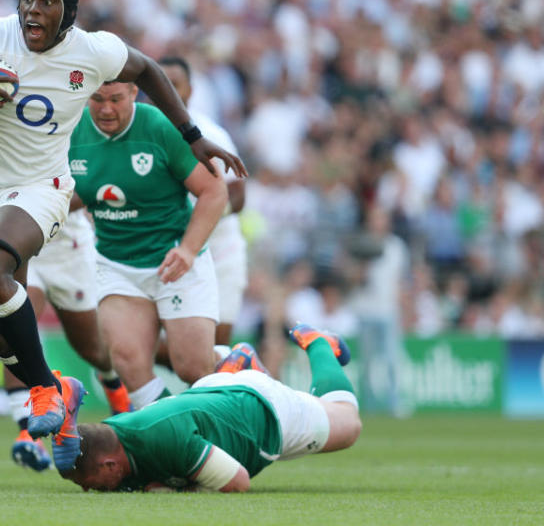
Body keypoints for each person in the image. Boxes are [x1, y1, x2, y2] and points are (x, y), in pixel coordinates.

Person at [0, 0, 245, 470]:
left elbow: (148, 70)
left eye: (47, 1)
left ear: (68, 13)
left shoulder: (93, 51)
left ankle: (46, 392)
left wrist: (191, 134)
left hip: (43, 187)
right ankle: (56, 390)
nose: (33, 8)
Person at [0, 116, 131, 473]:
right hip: (11, 248)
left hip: (65, 244)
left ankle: (117, 395)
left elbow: (89, 180)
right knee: (10, 326)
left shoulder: (49, 115)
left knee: (89, 344)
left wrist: (42, 200)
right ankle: (29, 431)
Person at [69, 81, 230, 408]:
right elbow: (70, 194)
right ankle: (173, 432)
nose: (106, 108)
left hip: (173, 260)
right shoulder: (72, 131)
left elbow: (215, 191)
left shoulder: (158, 126)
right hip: (116, 262)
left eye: (115, 99)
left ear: (133, 92)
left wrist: (187, 249)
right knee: (127, 359)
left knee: (192, 368)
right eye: (97, 99)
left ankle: (237, 362)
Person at [61, 324, 362, 492]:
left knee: (348, 423)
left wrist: (174, 490)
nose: (88, 491)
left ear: (110, 466)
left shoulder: (166, 440)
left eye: (87, 484)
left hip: (264, 409)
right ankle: (233, 366)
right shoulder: (113, 435)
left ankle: (318, 343)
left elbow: (238, 481)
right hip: (211, 391)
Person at [158, 56, 247, 347]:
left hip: (220, 252)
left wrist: (200, 217)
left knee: (217, 346)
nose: (169, 92)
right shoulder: (142, 132)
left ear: (190, 91)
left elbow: (238, 195)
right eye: (163, 85)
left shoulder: (209, 134)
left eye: (176, 85)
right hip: (167, 253)